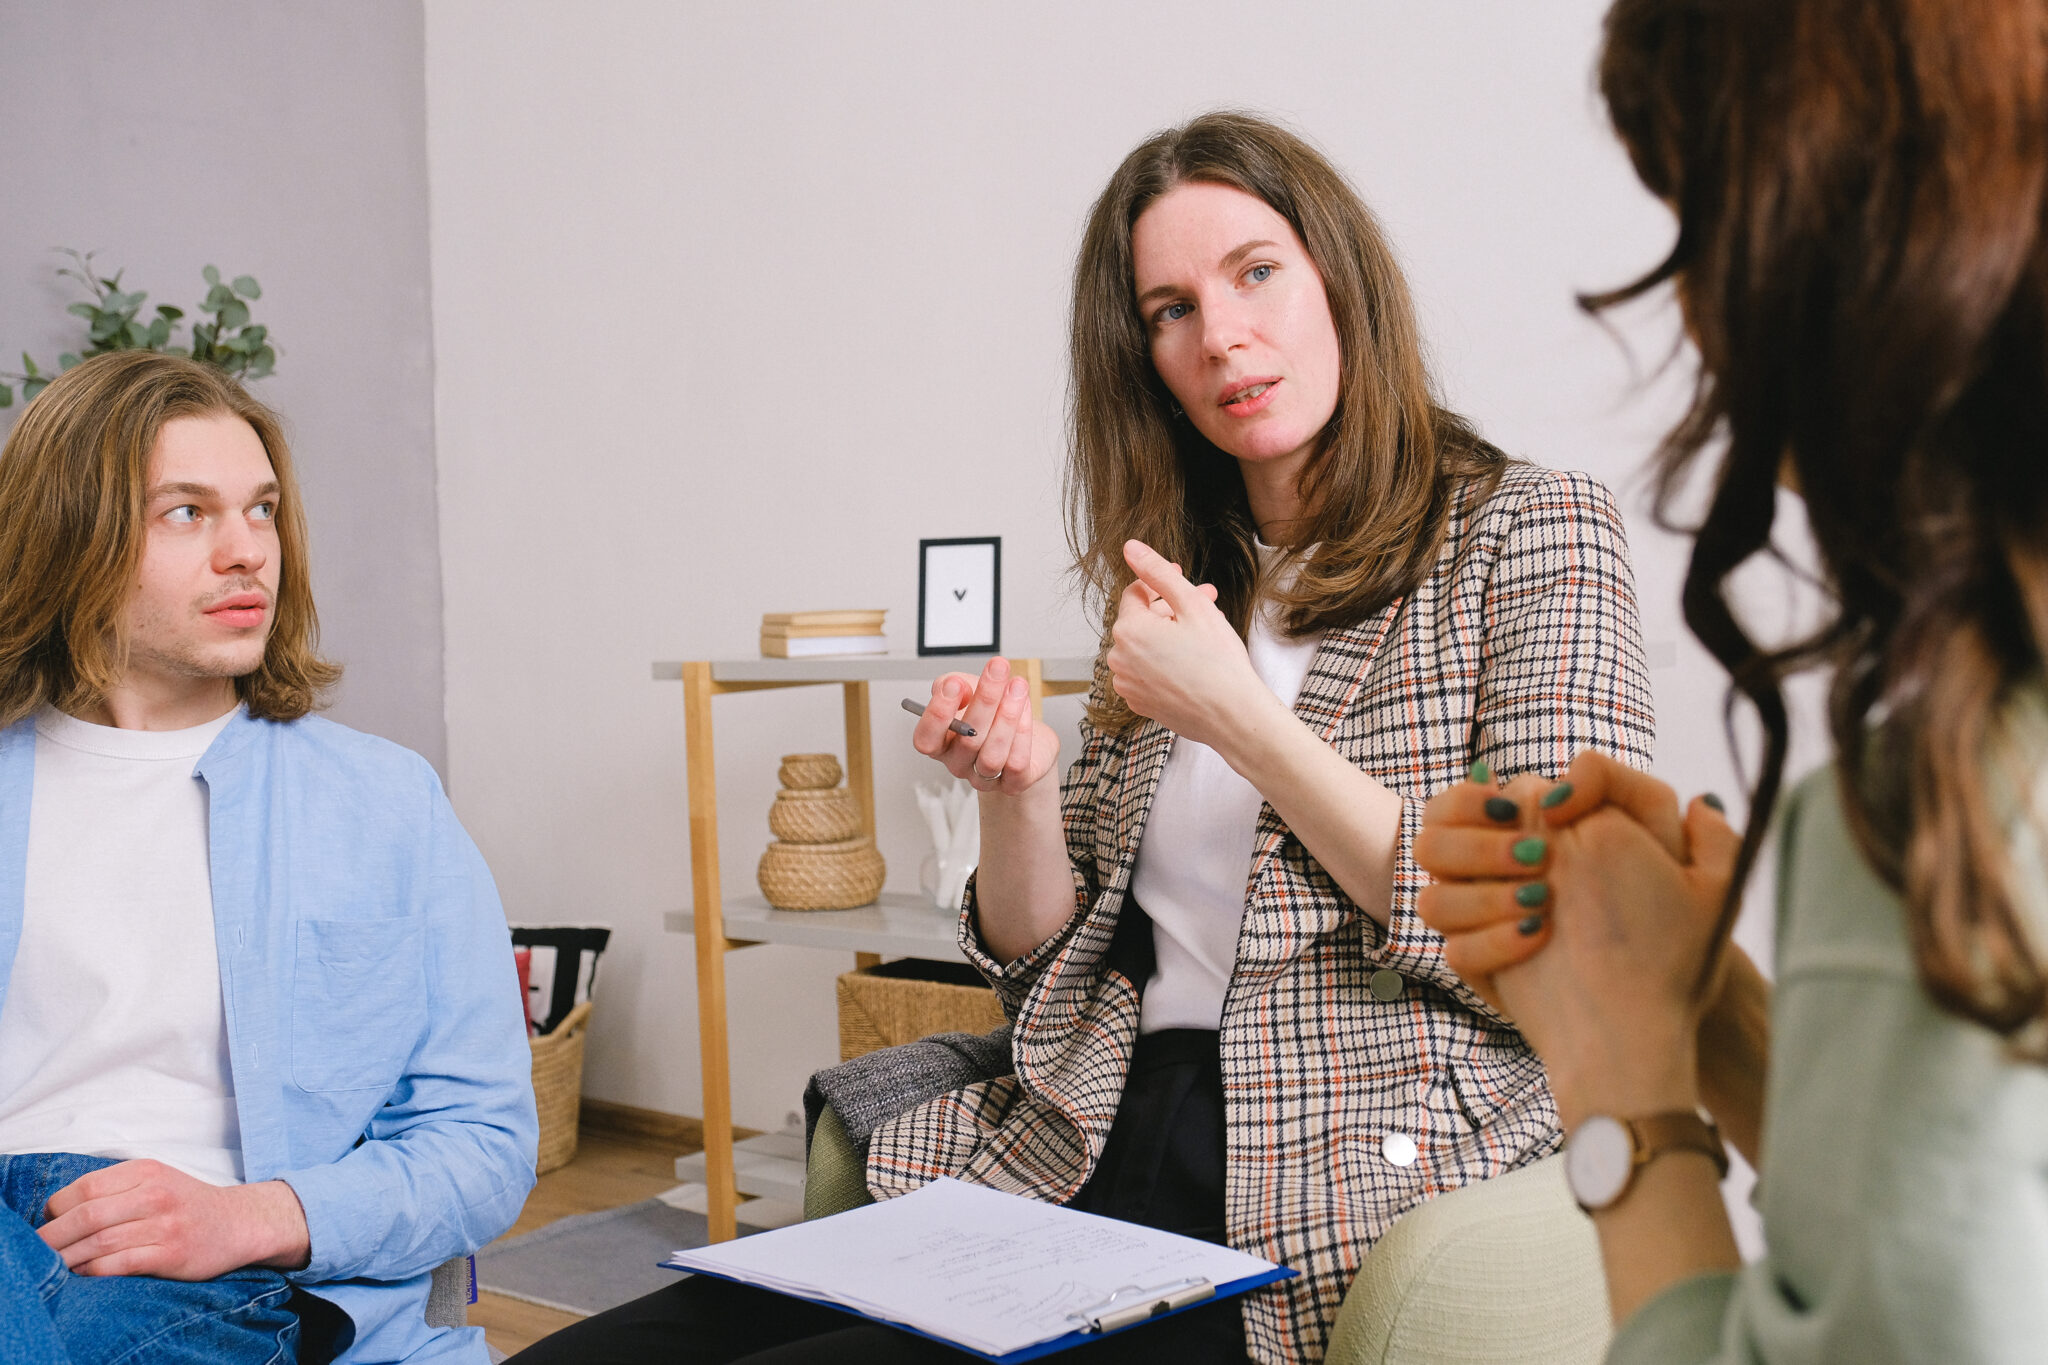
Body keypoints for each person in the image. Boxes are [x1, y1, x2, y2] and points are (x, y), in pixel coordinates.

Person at [517, 112, 1654, 1365]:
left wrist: (1240, 719)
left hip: (1317, 1163)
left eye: (1255, 271)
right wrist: (1020, 791)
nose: (1219, 334)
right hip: (1087, 1123)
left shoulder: (1527, 533)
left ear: (1340, 277)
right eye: (1168, 308)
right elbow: (1037, 957)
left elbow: (1575, 928)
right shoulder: (1178, 579)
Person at [1414, 0, 2048, 1360]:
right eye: (1166, 306)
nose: (1697, 309)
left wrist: (1624, 1082)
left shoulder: (1949, 820)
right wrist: (1721, 1020)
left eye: (1701, 225)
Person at [0, 351, 537, 1364]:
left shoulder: (383, 804)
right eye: (187, 513)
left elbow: (484, 1150)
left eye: (262, 510)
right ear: (72, 535)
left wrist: (249, 1217)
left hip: (211, 1267)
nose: (247, 551)